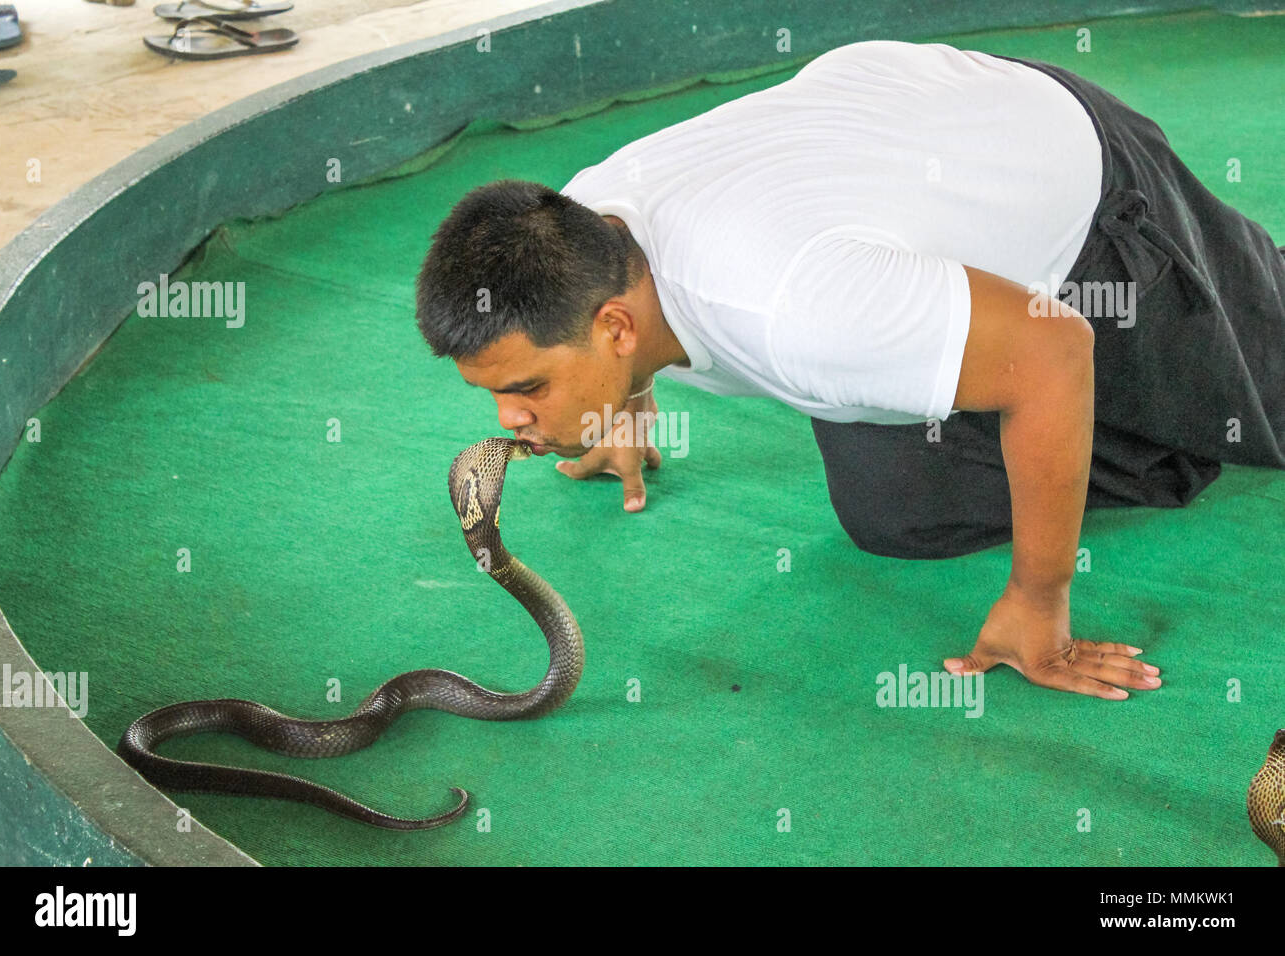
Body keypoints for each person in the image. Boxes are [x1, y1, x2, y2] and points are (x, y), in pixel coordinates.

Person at [415, 40, 1285, 702]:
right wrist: (618, 405)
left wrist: (1039, 599)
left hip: (1062, 176)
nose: (508, 420)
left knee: (1258, 396)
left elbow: (1056, 351)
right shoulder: (579, 232)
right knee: (897, 514)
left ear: (614, 328)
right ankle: (1000, 363)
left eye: (526, 389)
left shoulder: (800, 311)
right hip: (886, 170)